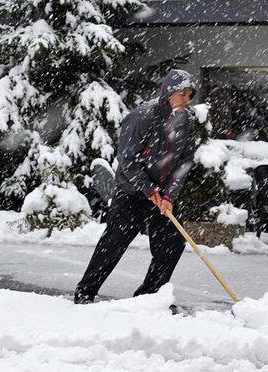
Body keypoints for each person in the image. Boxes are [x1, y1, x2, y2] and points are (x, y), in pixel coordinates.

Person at [74, 69, 198, 304]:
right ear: (169, 92)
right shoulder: (143, 116)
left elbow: (184, 162)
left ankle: (148, 297)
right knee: (114, 243)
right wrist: (149, 190)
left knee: (172, 244)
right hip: (132, 193)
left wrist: (169, 196)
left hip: (162, 196)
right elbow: (128, 160)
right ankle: (85, 291)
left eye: (190, 95)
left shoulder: (186, 122)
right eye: (182, 93)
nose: (186, 99)